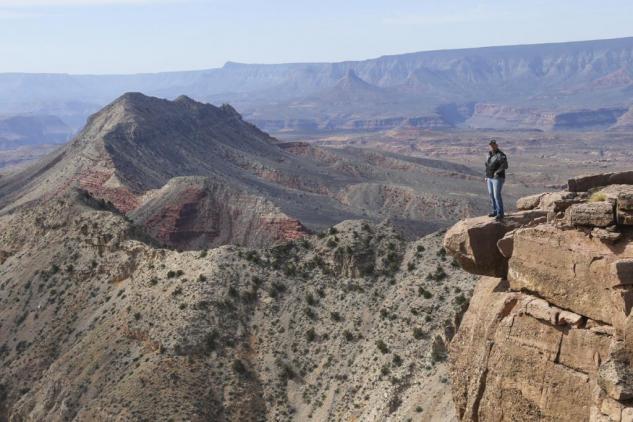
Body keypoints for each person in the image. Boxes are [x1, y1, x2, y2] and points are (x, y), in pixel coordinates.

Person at [485, 140, 508, 220]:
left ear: (496, 145)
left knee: (496, 195)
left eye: (493, 145)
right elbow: (487, 166)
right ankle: (494, 211)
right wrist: (486, 176)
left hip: (497, 178)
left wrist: (497, 172)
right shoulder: (489, 154)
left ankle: (500, 213)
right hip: (489, 177)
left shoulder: (501, 155)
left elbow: (505, 165)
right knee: (491, 194)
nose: (492, 146)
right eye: (491, 145)